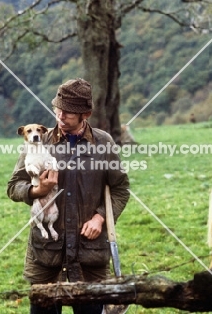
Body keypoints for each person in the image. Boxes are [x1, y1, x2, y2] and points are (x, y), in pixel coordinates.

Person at [7, 78, 130, 313]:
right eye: (58, 110)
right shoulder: (38, 139)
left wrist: (101, 217)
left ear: (86, 114)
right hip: (47, 256)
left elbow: (120, 188)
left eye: (68, 114)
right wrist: (36, 191)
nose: (60, 117)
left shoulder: (103, 143)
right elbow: (14, 186)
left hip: (88, 257)